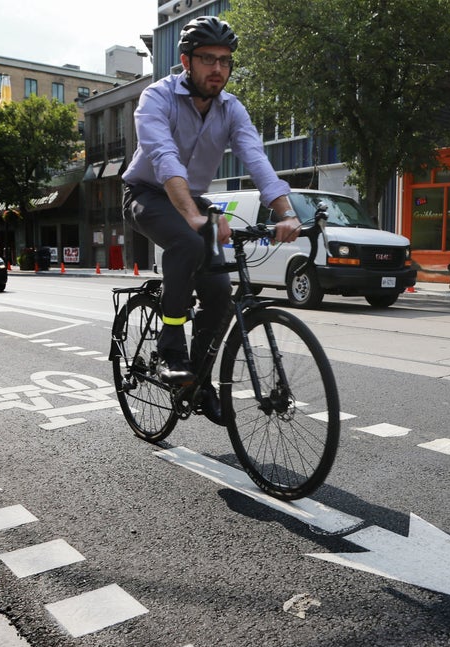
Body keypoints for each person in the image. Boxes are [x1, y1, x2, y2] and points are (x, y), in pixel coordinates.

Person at [121, 16, 301, 424]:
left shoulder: (231, 108)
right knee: (185, 243)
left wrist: (286, 213)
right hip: (146, 192)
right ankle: (170, 345)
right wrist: (193, 217)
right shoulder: (157, 97)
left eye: (224, 60)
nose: (217, 69)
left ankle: (198, 381)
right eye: (207, 59)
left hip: (194, 197)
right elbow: (164, 157)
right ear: (186, 60)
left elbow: (257, 159)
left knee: (220, 292)